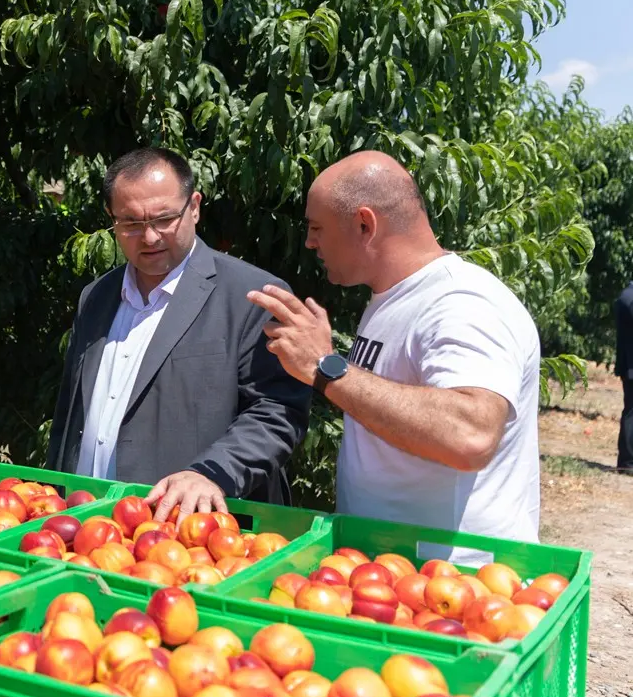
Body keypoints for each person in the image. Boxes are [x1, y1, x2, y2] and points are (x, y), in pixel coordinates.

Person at [251, 151, 541, 548]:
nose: (309, 241)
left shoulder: (461, 301)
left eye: (317, 227)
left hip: (456, 583)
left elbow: (470, 435)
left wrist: (325, 367)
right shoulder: (394, 298)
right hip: (397, 574)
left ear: (364, 224)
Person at [47, 148, 312, 520]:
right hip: (87, 523)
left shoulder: (254, 297)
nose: (150, 237)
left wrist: (211, 473)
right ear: (111, 219)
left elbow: (276, 411)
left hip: (187, 533)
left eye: (164, 219)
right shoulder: (96, 297)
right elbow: (70, 413)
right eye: (131, 223)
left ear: (195, 207)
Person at [617, 281, 633, 470]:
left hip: (628, 365)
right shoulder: (629, 298)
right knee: (631, 412)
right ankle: (628, 462)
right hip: (631, 366)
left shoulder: (626, 295)